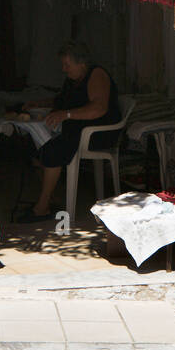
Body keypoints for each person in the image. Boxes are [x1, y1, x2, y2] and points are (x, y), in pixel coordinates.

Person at [19, 40, 122, 223]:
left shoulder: (96, 75)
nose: (64, 69)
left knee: (52, 149)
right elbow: (60, 100)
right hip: (78, 130)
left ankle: (42, 208)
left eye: (67, 65)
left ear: (81, 63)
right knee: (33, 146)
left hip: (97, 134)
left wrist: (66, 114)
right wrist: (38, 104)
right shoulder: (73, 80)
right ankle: (51, 198)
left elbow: (98, 108)